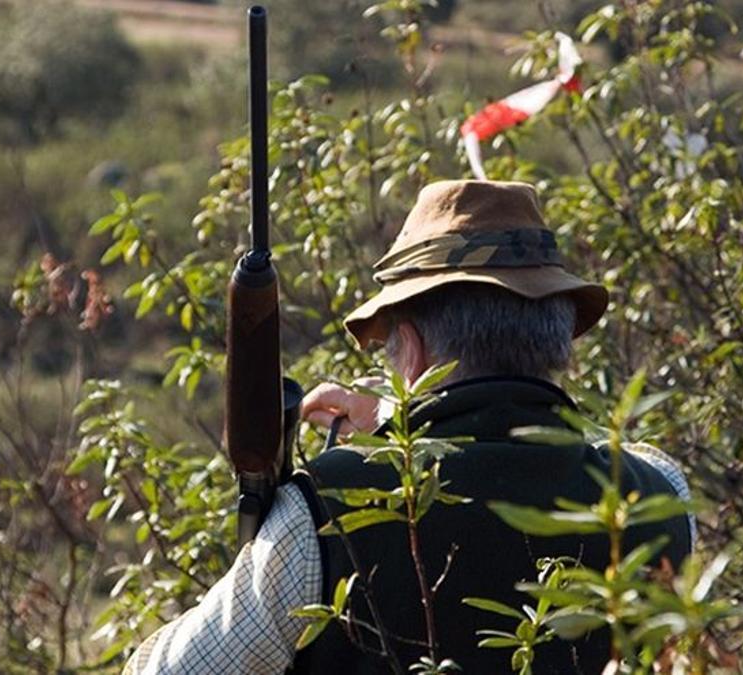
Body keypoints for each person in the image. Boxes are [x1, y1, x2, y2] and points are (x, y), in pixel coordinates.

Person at [126, 180, 694, 674]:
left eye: (390, 354)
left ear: (415, 351)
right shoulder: (660, 495)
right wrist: (402, 425)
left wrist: (382, 447)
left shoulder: (326, 512)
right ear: (554, 338)